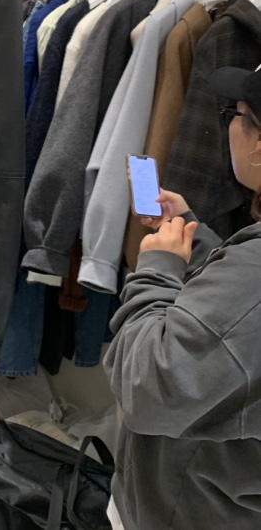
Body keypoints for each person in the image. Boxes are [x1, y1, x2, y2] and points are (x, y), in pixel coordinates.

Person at [105, 63, 261, 529]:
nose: (229, 125)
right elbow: (239, 327)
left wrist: (157, 269)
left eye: (235, 114)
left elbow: (146, 386)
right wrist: (198, 242)